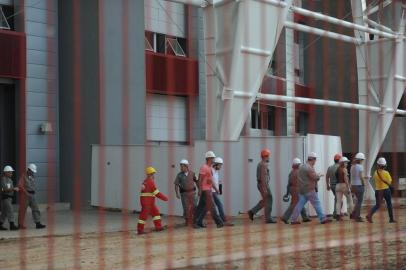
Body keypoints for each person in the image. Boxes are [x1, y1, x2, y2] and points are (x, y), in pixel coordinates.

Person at [290, 152, 332, 224]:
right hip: (310, 190)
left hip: (302, 190)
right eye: (315, 160)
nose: (315, 162)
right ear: (313, 159)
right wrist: (319, 175)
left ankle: (293, 219)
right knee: (317, 203)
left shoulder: (301, 167)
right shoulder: (309, 168)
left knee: (299, 205)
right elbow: (314, 177)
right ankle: (323, 218)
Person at [194, 151, 224, 229]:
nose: (214, 159)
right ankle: (219, 222)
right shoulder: (204, 167)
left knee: (200, 207)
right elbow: (200, 179)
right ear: (209, 158)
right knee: (212, 206)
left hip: (208, 189)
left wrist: (216, 188)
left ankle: (195, 222)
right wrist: (200, 190)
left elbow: (210, 181)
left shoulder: (210, 168)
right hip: (205, 190)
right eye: (213, 158)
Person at [248, 149, 276, 224]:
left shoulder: (261, 163)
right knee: (269, 200)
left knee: (265, 200)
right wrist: (265, 189)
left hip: (262, 184)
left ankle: (252, 211)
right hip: (264, 185)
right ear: (266, 156)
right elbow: (263, 178)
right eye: (269, 156)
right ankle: (268, 218)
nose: (269, 157)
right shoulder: (264, 165)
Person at [137, 166, 168, 235]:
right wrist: (165, 198)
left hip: (149, 203)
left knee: (156, 214)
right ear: (148, 175)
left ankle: (158, 227)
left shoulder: (145, 182)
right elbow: (157, 193)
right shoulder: (150, 182)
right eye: (152, 174)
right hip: (147, 203)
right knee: (143, 216)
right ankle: (140, 230)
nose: (153, 175)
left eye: (153, 174)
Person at [366, 158, 396, 223]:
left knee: (377, 205)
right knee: (389, 204)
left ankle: (369, 214)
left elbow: (374, 179)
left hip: (378, 191)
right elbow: (390, 182)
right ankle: (391, 219)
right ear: (384, 165)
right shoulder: (386, 173)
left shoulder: (375, 172)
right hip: (386, 190)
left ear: (378, 164)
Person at [281, 158, 310, 224]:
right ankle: (285, 217)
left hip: (292, 189)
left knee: (300, 202)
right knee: (294, 204)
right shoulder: (299, 172)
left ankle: (305, 217)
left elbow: (288, 184)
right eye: (299, 164)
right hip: (296, 189)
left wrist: (287, 193)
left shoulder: (291, 172)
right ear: (298, 165)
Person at [18, 164, 46, 229]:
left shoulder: (32, 176)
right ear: (28, 170)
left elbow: (33, 185)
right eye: (32, 171)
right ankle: (20, 224)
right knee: (22, 210)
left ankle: (38, 223)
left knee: (36, 208)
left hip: (32, 195)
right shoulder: (23, 176)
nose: (33, 172)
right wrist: (26, 192)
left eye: (33, 171)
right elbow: (20, 185)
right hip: (25, 195)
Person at [174, 159, 198, 226]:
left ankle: (195, 220)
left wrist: (200, 191)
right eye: (180, 166)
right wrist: (177, 193)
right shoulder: (179, 175)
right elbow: (176, 185)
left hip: (193, 193)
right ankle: (187, 221)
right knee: (186, 207)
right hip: (184, 194)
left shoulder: (192, 173)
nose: (181, 168)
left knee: (195, 206)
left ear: (186, 166)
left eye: (182, 166)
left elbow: (197, 181)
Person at [211, 157, 233, 226]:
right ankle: (224, 220)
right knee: (219, 204)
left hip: (214, 191)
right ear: (216, 164)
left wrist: (219, 185)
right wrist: (216, 189)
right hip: (212, 191)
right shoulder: (211, 171)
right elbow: (210, 181)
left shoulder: (216, 171)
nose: (220, 167)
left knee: (204, 208)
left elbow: (215, 181)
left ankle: (197, 220)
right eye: (220, 165)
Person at [334, 157, 354, 221]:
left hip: (337, 185)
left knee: (338, 201)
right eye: (346, 162)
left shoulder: (337, 169)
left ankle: (338, 215)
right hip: (344, 185)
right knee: (350, 199)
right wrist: (348, 188)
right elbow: (346, 179)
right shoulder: (344, 169)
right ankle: (352, 214)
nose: (347, 164)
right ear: (343, 163)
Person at [0, 166, 19, 231]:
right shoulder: (3, 180)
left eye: (11, 172)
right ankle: (12, 225)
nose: (11, 174)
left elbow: (11, 189)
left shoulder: (10, 180)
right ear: (6, 173)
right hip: (5, 198)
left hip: (9, 198)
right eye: (10, 172)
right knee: (10, 211)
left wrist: (14, 189)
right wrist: (13, 189)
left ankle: (0, 224)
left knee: (4, 213)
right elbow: (4, 189)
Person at [350, 152, 366, 222]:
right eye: (362, 160)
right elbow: (361, 177)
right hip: (359, 185)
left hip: (353, 185)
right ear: (360, 160)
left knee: (357, 201)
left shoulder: (352, 166)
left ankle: (353, 214)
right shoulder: (360, 166)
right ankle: (358, 216)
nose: (363, 161)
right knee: (359, 201)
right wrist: (364, 184)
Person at [326, 154, 341, 218]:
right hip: (338, 186)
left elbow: (327, 177)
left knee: (337, 199)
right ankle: (336, 213)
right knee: (339, 201)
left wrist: (327, 185)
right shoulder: (340, 167)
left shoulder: (330, 167)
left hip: (332, 186)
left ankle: (336, 213)